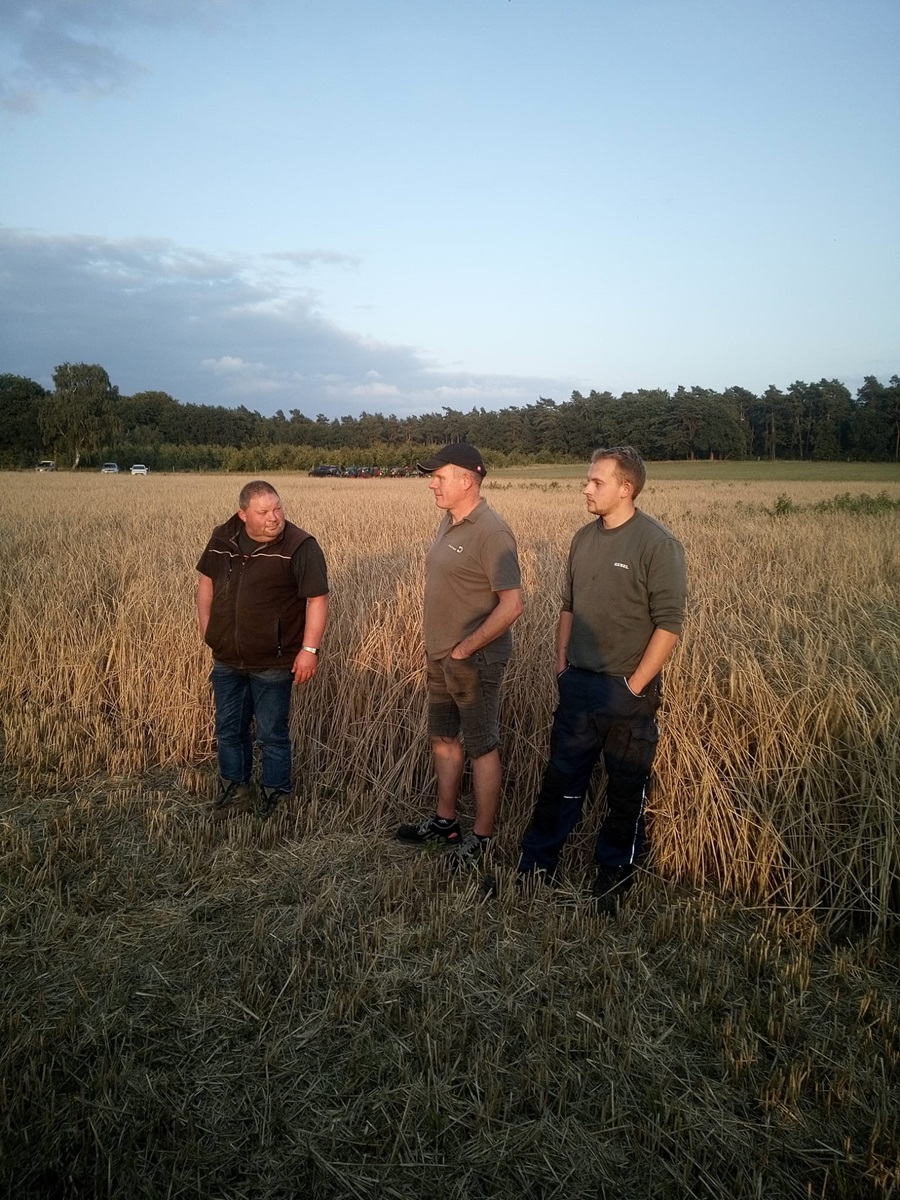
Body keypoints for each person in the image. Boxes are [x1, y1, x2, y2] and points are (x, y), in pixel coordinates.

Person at [518, 446, 686, 913]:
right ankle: (536, 866)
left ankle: (613, 877)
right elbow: (568, 606)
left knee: (625, 788)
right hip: (578, 683)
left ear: (626, 488)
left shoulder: (657, 544)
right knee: (560, 778)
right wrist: (562, 663)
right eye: (587, 480)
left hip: (626, 691)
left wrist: (635, 685)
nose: (586, 489)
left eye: (596, 482)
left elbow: (669, 625)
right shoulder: (582, 539)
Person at [396, 443, 524, 869]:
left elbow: (512, 605)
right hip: (441, 656)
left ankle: (482, 838)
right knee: (443, 737)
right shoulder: (450, 521)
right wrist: (444, 650)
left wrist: (465, 649)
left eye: (439, 476)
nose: (431, 484)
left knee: (481, 745)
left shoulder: (492, 532)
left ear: (467, 480)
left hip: (474, 661)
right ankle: (445, 823)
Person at [196, 480, 329, 820]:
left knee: (272, 734)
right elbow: (206, 581)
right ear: (243, 515)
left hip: (273, 661)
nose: (274, 518)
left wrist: (309, 650)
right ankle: (235, 792)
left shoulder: (300, 546)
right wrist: (208, 629)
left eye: (278, 508)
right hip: (227, 658)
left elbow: (317, 599)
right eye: (264, 512)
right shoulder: (222, 539)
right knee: (229, 730)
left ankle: (277, 795)